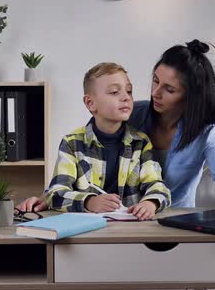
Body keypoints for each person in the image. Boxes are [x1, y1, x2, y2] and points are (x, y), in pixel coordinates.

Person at [17, 40, 215, 211]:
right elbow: (83, 155)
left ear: (190, 97)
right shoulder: (131, 113)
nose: (155, 92)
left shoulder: (203, 131)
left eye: (169, 89)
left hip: (169, 220)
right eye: (155, 81)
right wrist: (49, 198)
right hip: (110, 223)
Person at [41, 62, 171, 220]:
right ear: (91, 103)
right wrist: (89, 202)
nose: (126, 97)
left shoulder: (141, 142)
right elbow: (55, 193)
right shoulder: (72, 143)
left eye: (129, 91)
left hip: (131, 230)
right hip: (86, 230)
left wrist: (151, 203)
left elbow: (156, 184)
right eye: (114, 92)